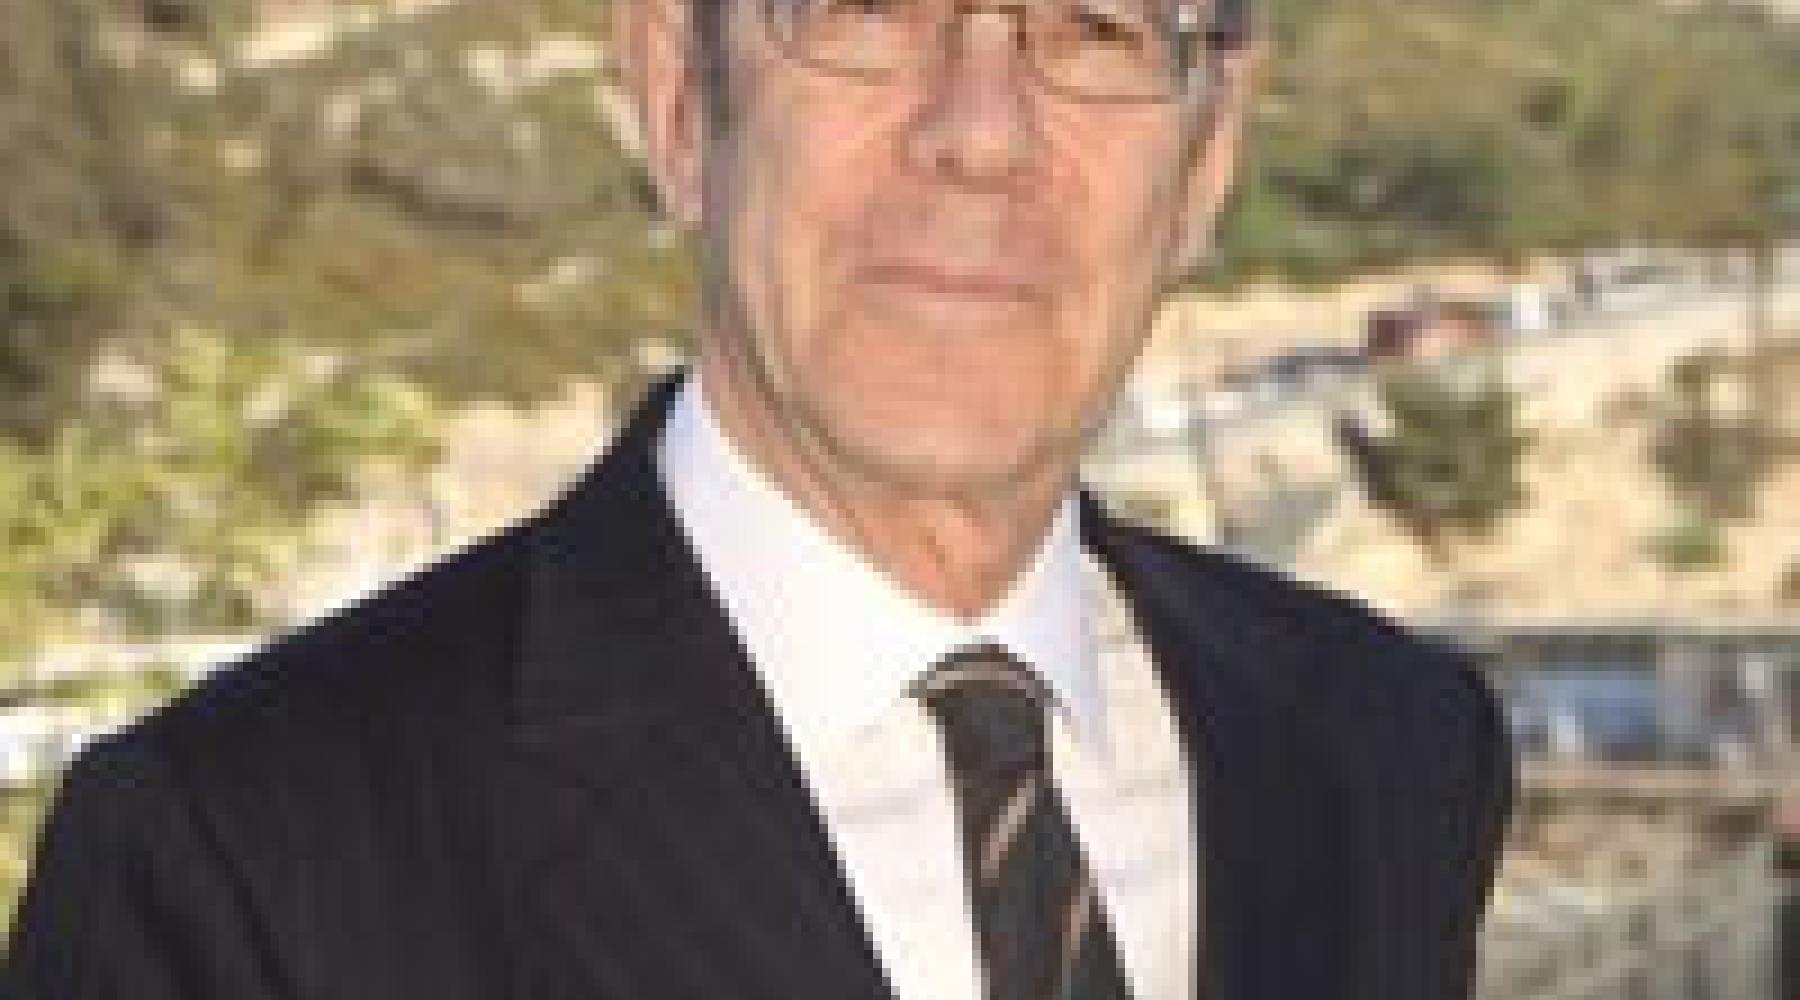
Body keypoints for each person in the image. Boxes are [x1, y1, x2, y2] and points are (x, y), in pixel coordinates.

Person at [4, 0, 1515, 996]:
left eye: (1095, 27)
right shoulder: (247, 860)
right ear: (678, 96)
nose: (981, 132)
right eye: (868, 13)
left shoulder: (1384, 751)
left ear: (1205, 158)